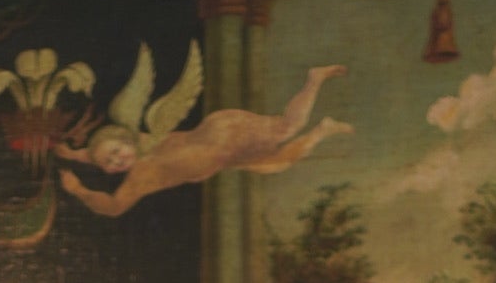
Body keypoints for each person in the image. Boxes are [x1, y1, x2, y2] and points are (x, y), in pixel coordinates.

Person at [58, 63, 351, 219]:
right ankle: (323, 129)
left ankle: (315, 80)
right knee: (279, 162)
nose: (117, 160)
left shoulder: (143, 161)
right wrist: (73, 159)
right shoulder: (142, 159)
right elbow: (107, 189)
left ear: (126, 141)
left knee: (287, 130)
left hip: (226, 136)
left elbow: (113, 206)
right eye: (109, 163)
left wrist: (80, 190)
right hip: (225, 147)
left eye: (116, 151)